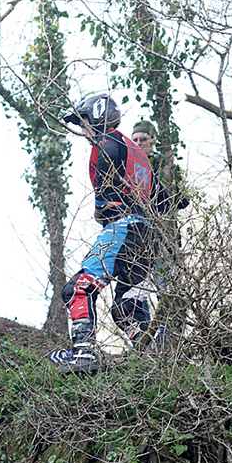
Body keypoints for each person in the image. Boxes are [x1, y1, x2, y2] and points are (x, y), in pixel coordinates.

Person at [52, 94, 173, 374]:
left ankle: (84, 352)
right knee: (128, 305)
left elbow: (104, 198)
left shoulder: (106, 143)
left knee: (77, 289)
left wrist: (102, 206)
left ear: (97, 116)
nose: (83, 129)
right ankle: (152, 361)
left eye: (84, 122)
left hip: (122, 227)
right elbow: (166, 200)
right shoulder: (138, 153)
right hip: (147, 236)